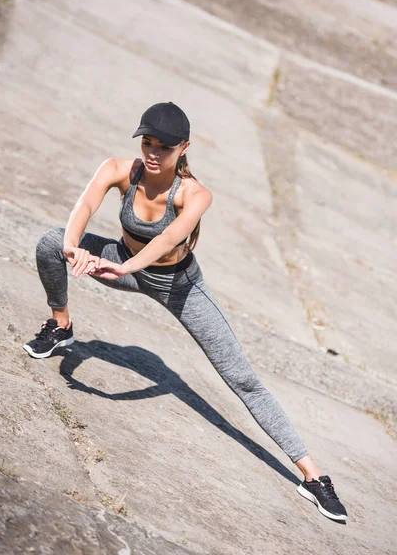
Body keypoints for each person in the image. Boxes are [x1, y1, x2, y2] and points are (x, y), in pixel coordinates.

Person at [23, 102, 348, 522]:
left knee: (242, 378)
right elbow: (83, 207)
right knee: (49, 242)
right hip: (121, 261)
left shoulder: (196, 194)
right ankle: (61, 325)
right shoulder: (120, 169)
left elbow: (168, 238)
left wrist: (124, 267)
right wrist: (73, 246)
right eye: (147, 142)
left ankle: (313, 477)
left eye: (165, 146)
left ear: (184, 147)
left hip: (179, 286)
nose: (153, 152)